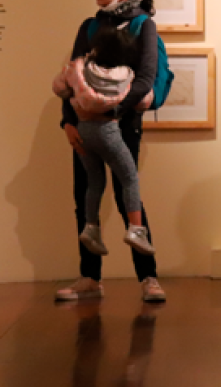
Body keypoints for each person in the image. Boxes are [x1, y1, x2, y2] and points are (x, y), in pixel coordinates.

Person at [55, 0, 167, 304]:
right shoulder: (89, 27)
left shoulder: (143, 26)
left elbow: (147, 80)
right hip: (84, 124)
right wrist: (68, 121)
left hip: (123, 125)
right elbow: (71, 78)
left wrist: (108, 110)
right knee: (84, 194)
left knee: (126, 195)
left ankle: (148, 277)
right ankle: (89, 277)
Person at [51, 25, 155, 258]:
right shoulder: (126, 75)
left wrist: (73, 96)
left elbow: (59, 87)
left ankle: (91, 227)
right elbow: (143, 100)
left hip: (82, 132)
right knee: (129, 178)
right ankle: (136, 230)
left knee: (94, 181)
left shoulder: (80, 68)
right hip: (108, 131)